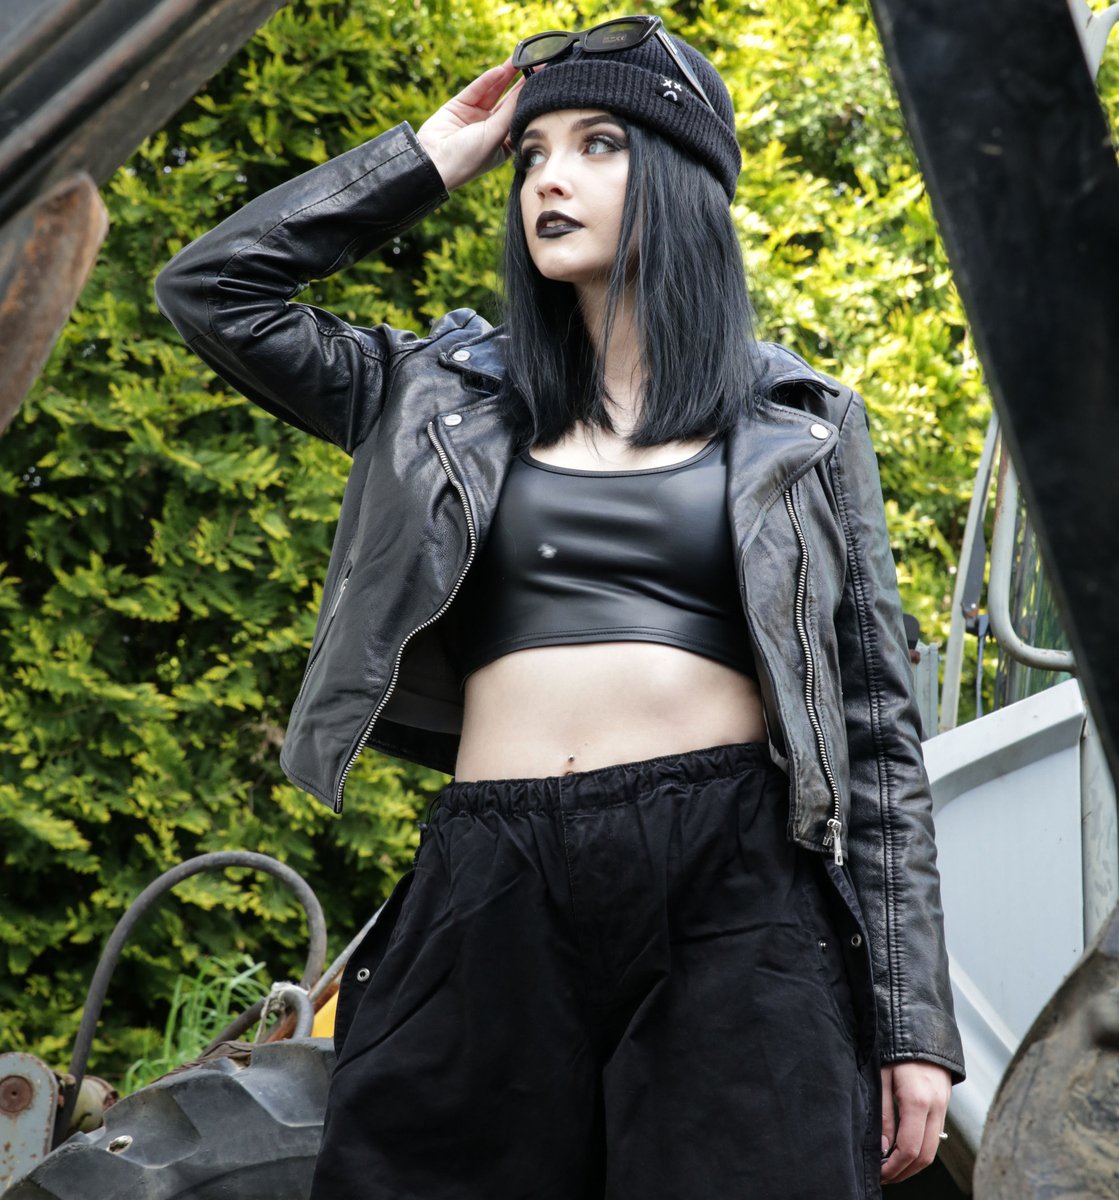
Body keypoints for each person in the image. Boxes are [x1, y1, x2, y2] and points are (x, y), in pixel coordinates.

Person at [155, 16, 964, 1198]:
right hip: (493, 877)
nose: (548, 177)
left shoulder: (800, 420)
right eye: (531, 153)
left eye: (598, 144)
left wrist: (912, 1024)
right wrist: (427, 157)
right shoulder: (434, 395)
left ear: (682, 179)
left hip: (732, 884)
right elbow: (214, 292)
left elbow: (877, 733)